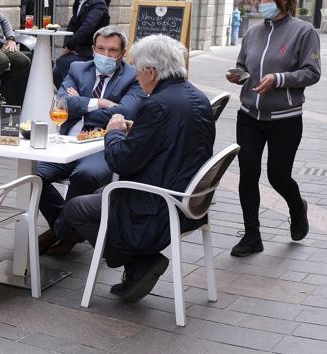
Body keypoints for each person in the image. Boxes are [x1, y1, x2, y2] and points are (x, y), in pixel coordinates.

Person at [63, 35, 215, 303]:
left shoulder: (157, 104)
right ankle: (138, 264)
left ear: (151, 72)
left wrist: (113, 133)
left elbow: (121, 161)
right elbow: (169, 139)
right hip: (190, 199)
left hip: (157, 204)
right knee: (98, 189)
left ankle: (138, 261)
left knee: (76, 207)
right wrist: (136, 132)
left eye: (137, 70)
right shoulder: (196, 96)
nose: (136, 76)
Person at [227, 0, 320, 257]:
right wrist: (238, 75)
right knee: (248, 175)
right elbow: (244, 65)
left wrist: (278, 79)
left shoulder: (304, 32)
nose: (262, 3)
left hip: (285, 118)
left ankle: (297, 207)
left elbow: (312, 73)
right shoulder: (253, 32)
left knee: (278, 176)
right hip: (249, 116)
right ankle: (252, 235)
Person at [37, 26, 144, 256]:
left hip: (104, 146)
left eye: (113, 51)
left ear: (123, 53)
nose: (105, 55)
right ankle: (67, 228)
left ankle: (58, 232)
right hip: (68, 141)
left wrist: (81, 105)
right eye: (101, 49)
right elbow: (61, 103)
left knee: (85, 176)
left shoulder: (133, 77)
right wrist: (102, 103)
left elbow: (125, 113)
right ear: (93, 49)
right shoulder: (78, 68)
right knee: (34, 173)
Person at [53, 0, 111, 87]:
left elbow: (87, 27)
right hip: (78, 49)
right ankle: (67, 95)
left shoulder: (99, 3)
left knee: (61, 64)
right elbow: (72, 24)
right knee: (57, 70)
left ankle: (73, 95)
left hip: (91, 50)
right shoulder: (79, 2)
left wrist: (71, 46)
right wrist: (67, 45)